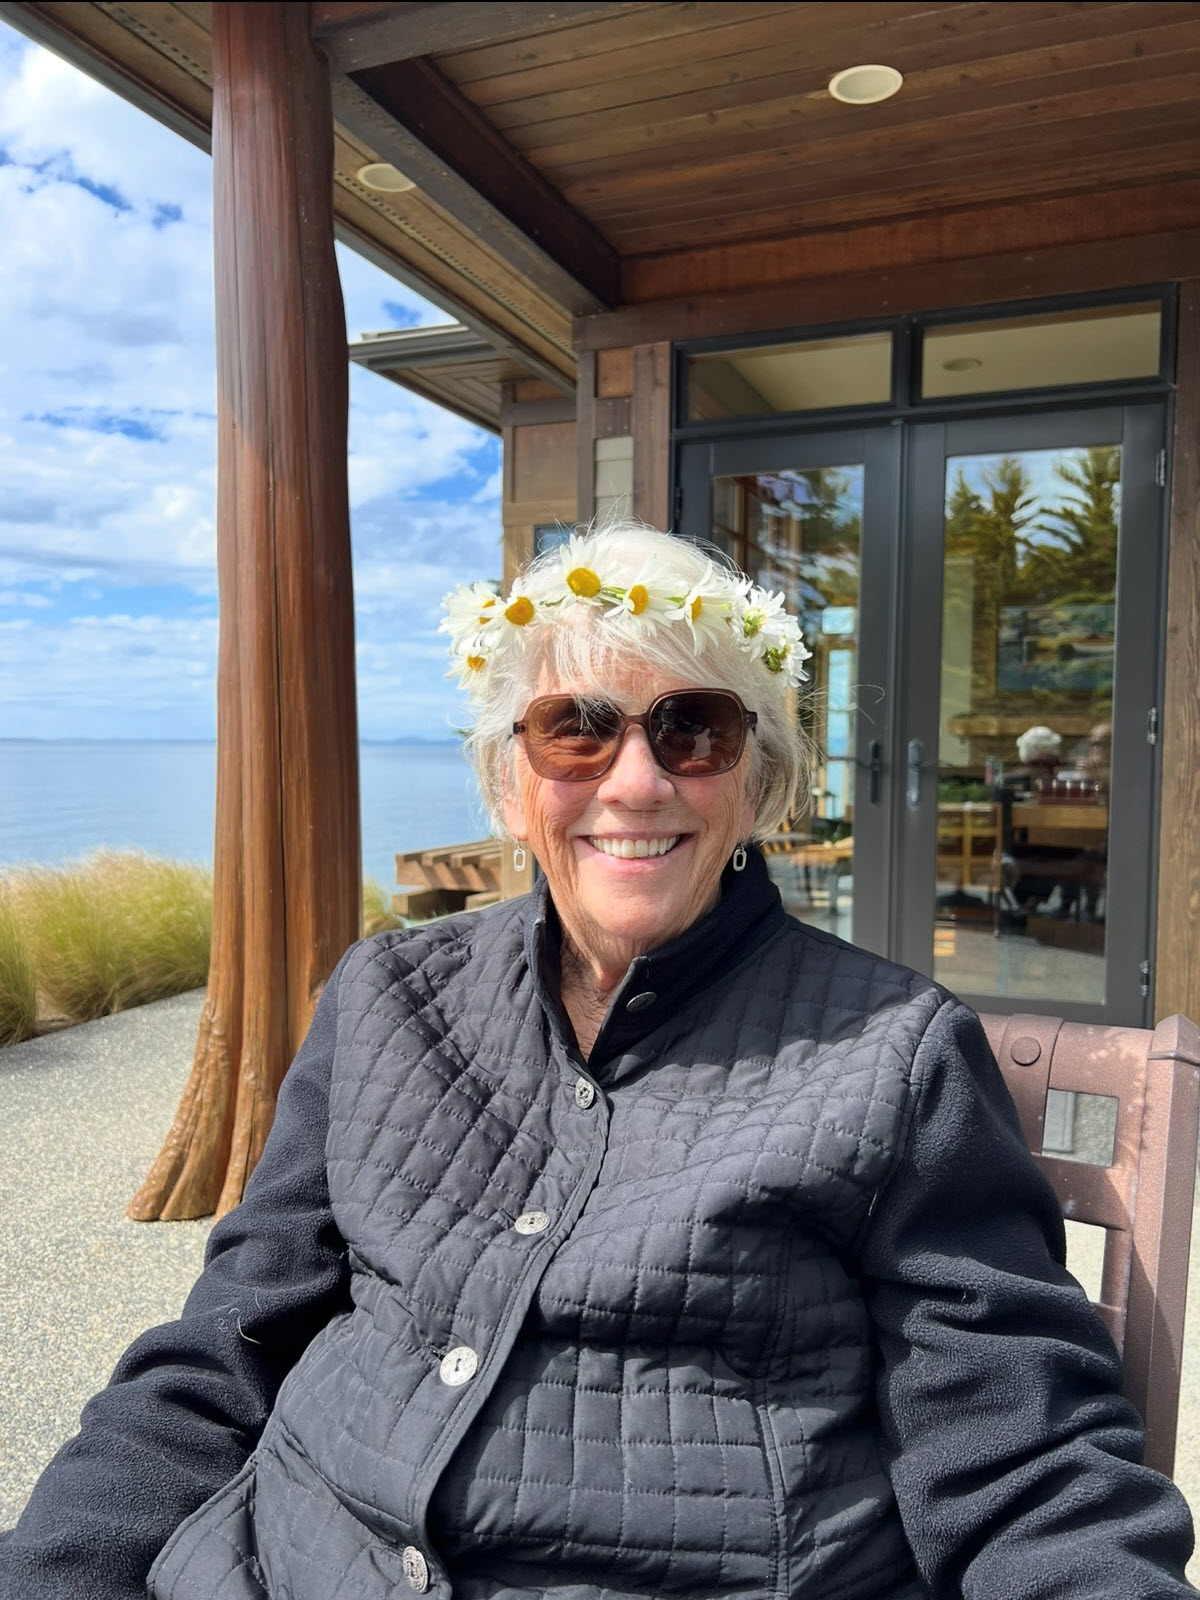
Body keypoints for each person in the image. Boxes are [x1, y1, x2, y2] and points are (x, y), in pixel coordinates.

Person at [0, 524, 1193, 1600]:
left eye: (696, 728)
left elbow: (1024, 1460)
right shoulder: (385, 996)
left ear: (758, 785)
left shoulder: (894, 1055)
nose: (636, 780)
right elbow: (223, 1351)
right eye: (577, 727)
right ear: (512, 783)